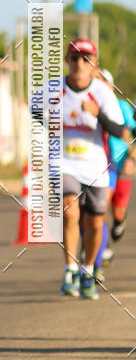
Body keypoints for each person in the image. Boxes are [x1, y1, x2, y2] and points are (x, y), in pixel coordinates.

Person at [59, 40, 125, 300]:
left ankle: (88, 270)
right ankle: (69, 269)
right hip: (65, 163)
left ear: (94, 64)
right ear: (67, 60)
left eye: (85, 59)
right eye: (74, 58)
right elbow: (35, 112)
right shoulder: (55, 89)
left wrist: (97, 114)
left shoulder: (102, 93)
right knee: (69, 208)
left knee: (96, 223)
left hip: (96, 165)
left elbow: (120, 131)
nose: (79, 63)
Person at [92, 69, 136, 277]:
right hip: (101, 166)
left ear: (110, 86)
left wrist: (132, 157)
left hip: (121, 163)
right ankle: (102, 249)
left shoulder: (122, 106)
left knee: (117, 212)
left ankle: (119, 221)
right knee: (99, 209)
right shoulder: (88, 105)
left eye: (101, 81)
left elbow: (133, 133)